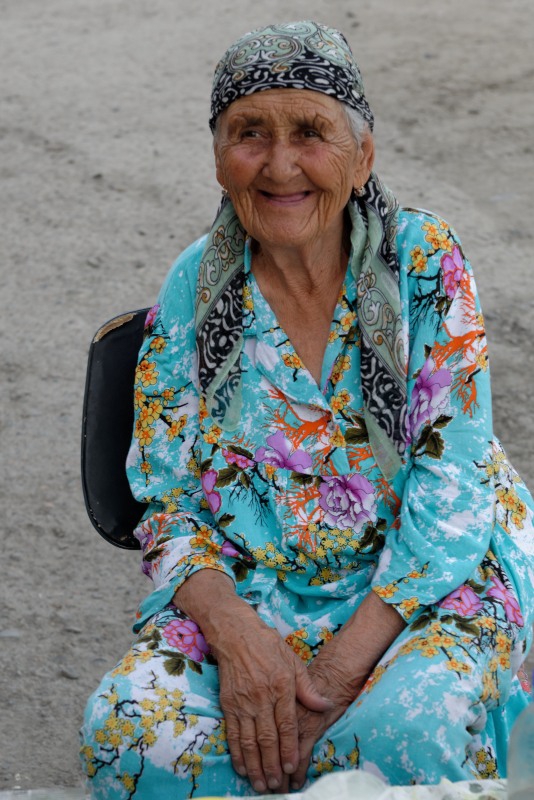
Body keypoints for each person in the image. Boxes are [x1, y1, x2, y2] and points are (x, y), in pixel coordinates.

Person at [80, 20, 534, 799]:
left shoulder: (423, 260)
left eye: (312, 133)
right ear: (218, 156)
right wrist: (239, 639)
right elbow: (167, 499)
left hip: (424, 585)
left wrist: (329, 681)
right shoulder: (194, 286)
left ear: (363, 157)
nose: (280, 163)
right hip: (259, 595)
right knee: (131, 736)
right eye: (249, 132)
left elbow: (452, 491)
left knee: (400, 739)